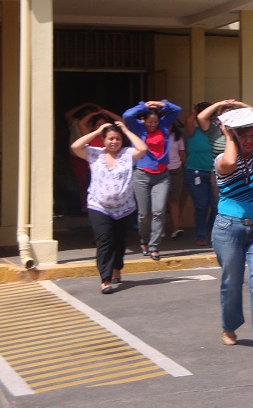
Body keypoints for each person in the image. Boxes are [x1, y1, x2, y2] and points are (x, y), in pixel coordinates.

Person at [211, 109, 253, 372]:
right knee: (231, 282)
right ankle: (229, 325)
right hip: (229, 227)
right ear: (233, 136)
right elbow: (228, 162)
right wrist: (228, 134)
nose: (249, 140)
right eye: (243, 136)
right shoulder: (222, 160)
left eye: (252, 135)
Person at [70, 121, 147, 293]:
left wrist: (126, 130)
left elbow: (142, 149)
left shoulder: (128, 154)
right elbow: (75, 146)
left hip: (123, 208)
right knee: (104, 240)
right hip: (99, 206)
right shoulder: (93, 153)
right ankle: (105, 279)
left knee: (119, 242)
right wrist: (97, 131)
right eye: (110, 138)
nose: (114, 142)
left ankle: (116, 268)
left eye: (118, 139)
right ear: (103, 140)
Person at [123, 99, 182, 261]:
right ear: (144, 120)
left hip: (162, 175)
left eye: (155, 121)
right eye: (150, 122)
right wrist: (144, 106)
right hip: (142, 174)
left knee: (158, 211)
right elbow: (127, 115)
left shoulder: (163, 126)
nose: (152, 124)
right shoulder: (137, 127)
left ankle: (154, 245)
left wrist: (161, 104)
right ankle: (144, 240)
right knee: (144, 214)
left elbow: (177, 110)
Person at [183, 103, 217, 246]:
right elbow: (188, 121)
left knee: (216, 206)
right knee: (202, 205)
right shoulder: (193, 131)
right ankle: (201, 235)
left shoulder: (215, 131)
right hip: (195, 172)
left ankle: (210, 231)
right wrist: (197, 110)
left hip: (213, 173)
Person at [166, 121, 186, 239]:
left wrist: (182, 166)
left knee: (174, 200)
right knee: (161, 202)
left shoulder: (177, 137)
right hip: (161, 170)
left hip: (175, 170)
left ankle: (176, 228)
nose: (168, 127)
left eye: (170, 124)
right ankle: (161, 229)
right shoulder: (158, 135)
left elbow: (182, 154)